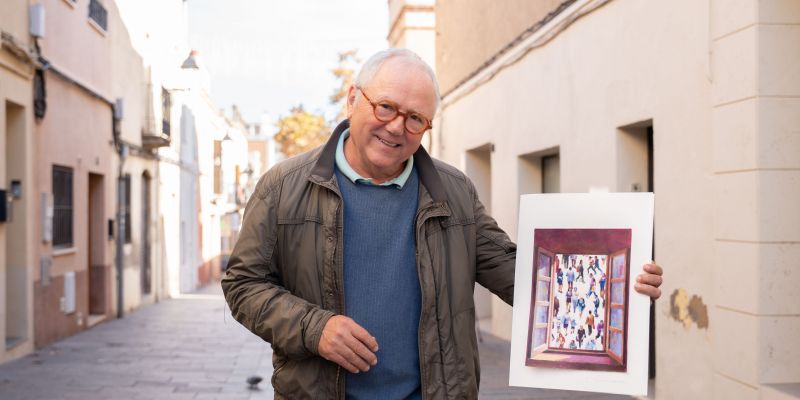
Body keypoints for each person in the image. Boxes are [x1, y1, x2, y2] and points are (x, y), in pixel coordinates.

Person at [221, 48, 664, 399]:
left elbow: (523, 275)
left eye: (415, 119)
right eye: (386, 107)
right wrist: (314, 328)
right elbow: (243, 284)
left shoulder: (454, 192)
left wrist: (615, 283)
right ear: (353, 98)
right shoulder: (282, 186)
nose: (397, 127)